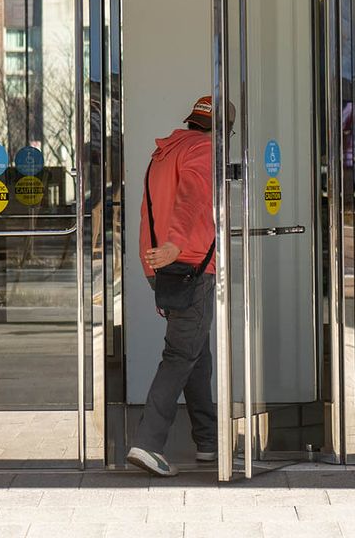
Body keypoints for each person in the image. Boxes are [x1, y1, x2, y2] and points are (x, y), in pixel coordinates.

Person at [125, 94, 231, 477]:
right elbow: (192, 200)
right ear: (224, 130)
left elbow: (146, 212)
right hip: (190, 264)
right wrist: (177, 245)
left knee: (196, 352)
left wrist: (153, 265)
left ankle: (207, 441)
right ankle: (148, 443)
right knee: (180, 355)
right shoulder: (205, 150)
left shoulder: (163, 154)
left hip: (164, 268)